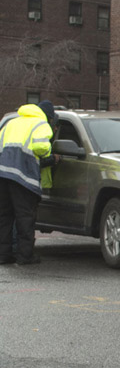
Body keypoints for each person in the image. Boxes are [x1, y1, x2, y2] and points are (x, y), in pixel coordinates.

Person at [0, 100, 56, 265]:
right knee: (25, 217)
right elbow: (41, 148)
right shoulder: (41, 124)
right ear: (48, 117)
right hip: (22, 177)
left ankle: (3, 255)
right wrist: (49, 154)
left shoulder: (12, 122)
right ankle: (25, 256)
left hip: (2, 174)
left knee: (4, 217)